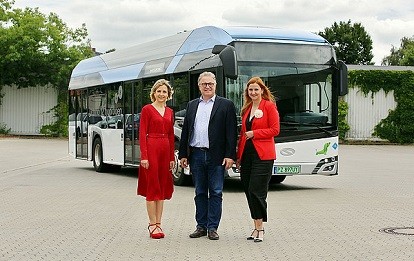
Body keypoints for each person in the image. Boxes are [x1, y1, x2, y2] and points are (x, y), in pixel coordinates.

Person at [179, 71, 237, 240]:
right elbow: (186, 131)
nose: (207, 86)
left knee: (216, 192)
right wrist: (183, 154)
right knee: (200, 192)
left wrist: (230, 155)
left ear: (215, 85)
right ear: (199, 86)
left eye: (210, 83)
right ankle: (201, 226)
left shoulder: (225, 105)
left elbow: (231, 133)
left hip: (217, 156)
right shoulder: (191, 105)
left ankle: (213, 227)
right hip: (196, 155)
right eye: (204, 84)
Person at [236, 76, 280, 243]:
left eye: (256, 89)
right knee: (248, 190)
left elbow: (275, 130)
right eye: (250, 89)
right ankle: (255, 226)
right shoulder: (247, 109)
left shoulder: (269, 107)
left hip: (263, 155)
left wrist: (255, 133)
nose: (253, 92)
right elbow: (242, 135)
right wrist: (239, 157)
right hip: (247, 155)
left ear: (262, 90)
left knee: (257, 191)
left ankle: (261, 228)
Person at [137, 79, 175, 239]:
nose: (161, 94)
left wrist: (172, 157)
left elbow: (171, 135)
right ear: (154, 93)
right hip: (151, 147)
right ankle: (152, 224)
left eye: (164, 92)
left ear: (168, 95)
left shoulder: (170, 112)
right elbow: (142, 133)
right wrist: (144, 156)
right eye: (159, 91)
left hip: (165, 149)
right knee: (152, 187)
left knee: (162, 187)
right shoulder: (147, 109)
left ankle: (159, 223)